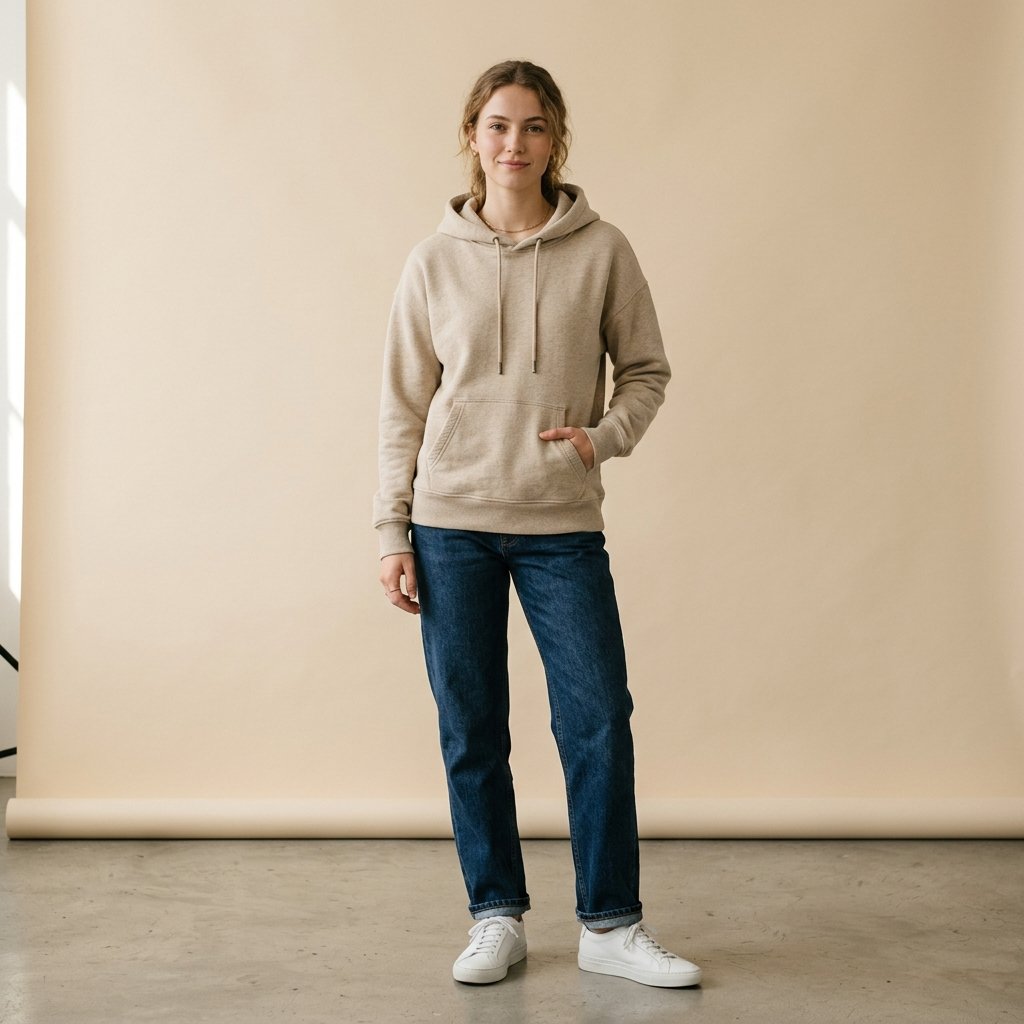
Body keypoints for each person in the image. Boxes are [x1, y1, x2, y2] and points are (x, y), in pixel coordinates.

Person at [373, 59, 701, 989]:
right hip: (450, 526)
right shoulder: (433, 260)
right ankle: (496, 916)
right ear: (472, 137)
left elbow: (647, 372)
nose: (513, 143)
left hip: (561, 523)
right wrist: (391, 531)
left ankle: (611, 924)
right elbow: (402, 404)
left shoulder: (604, 251)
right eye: (497, 125)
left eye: (533, 126)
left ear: (556, 139)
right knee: (471, 726)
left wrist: (602, 439)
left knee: (597, 717)